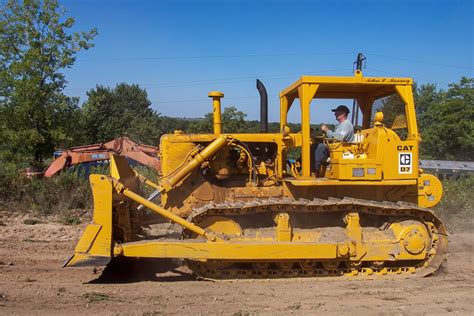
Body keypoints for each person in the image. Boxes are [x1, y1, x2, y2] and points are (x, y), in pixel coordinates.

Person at [314, 105, 354, 176]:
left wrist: (327, 130)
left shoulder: (346, 124)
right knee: (315, 145)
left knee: (319, 147)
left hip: (342, 151)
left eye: (337, 112)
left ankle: (315, 172)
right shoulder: (341, 125)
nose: (335, 114)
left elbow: (338, 138)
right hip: (337, 149)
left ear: (343, 113)